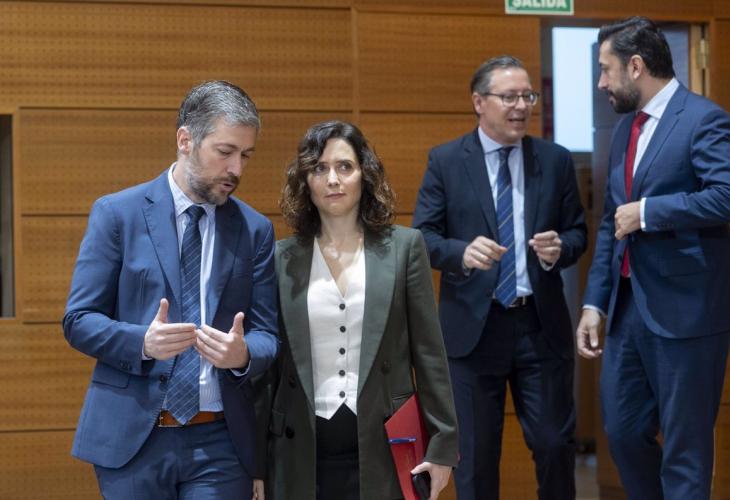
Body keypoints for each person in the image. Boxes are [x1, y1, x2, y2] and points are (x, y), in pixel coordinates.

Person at [63, 80, 279, 499]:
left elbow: (267, 335)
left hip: (219, 441)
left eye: (245, 155)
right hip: (133, 438)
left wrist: (242, 354)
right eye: (225, 151)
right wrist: (142, 342)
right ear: (185, 140)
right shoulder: (117, 214)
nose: (236, 169)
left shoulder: (255, 230)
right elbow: (78, 321)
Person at [253, 120, 458, 500]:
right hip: (299, 447)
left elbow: (430, 355)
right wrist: (256, 465)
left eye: (344, 166)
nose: (333, 179)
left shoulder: (405, 248)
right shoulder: (281, 258)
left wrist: (443, 446)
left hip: (386, 444)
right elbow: (268, 373)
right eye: (320, 168)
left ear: (365, 174)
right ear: (305, 181)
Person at [413, 56, 587, 500]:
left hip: (539, 327)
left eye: (528, 96)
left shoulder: (555, 160)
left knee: (554, 446)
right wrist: (461, 253)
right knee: (474, 459)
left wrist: (560, 249)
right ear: (479, 102)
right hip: (473, 330)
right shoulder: (447, 161)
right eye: (509, 97)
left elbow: (578, 233)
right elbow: (423, 238)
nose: (521, 106)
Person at [576, 16, 730, 499]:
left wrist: (649, 212)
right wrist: (594, 303)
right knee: (622, 432)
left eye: (606, 69)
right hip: (627, 313)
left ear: (636, 66)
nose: (601, 83)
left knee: (686, 451)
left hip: (687, 314)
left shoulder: (704, 119)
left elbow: (725, 194)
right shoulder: (626, 128)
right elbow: (612, 221)